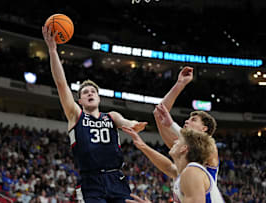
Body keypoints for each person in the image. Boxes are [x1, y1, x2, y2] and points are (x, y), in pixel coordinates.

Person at [42, 26, 147, 203]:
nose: (90, 93)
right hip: (91, 182)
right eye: (85, 93)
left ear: (98, 98)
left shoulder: (111, 116)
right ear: (80, 101)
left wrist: (133, 124)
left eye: (93, 92)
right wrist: (52, 50)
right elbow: (61, 84)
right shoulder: (76, 115)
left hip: (116, 179)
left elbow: (125, 121)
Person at [122, 125, 224, 202]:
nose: (174, 143)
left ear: (184, 148)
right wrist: (142, 146)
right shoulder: (186, 173)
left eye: (178, 141)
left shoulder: (192, 172)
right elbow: (168, 167)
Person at [153, 66, 219, 181]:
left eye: (193, 120)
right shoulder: (181, 146)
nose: (186, 121)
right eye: (188, 119)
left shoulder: (211, 149)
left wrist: (171, 124)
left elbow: (194, 141)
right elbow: (158, 114)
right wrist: (180, 84)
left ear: (204, 128)